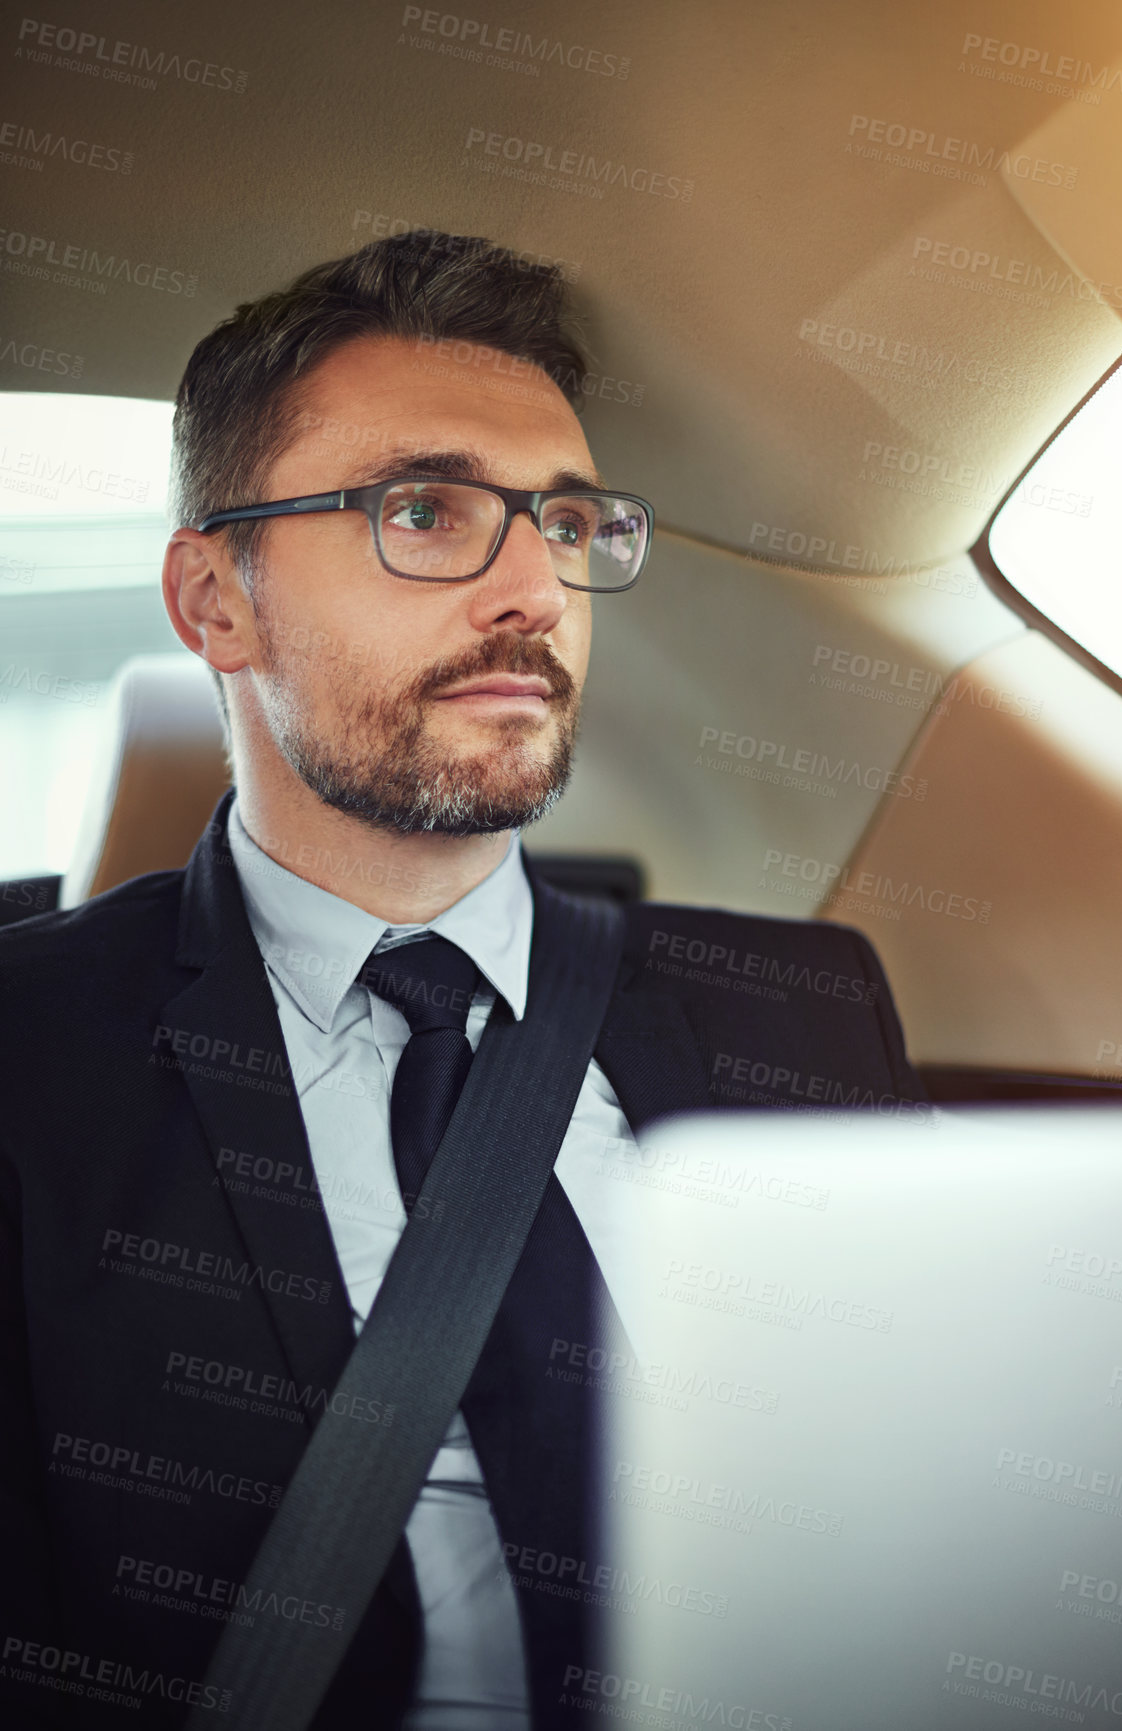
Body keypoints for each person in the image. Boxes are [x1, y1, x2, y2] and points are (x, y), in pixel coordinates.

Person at [0, 231, 925, 1731]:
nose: (529, 592)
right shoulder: (32, 1052)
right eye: (425, 511)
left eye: (562, 522)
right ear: (213, 600)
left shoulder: (797, 1013)